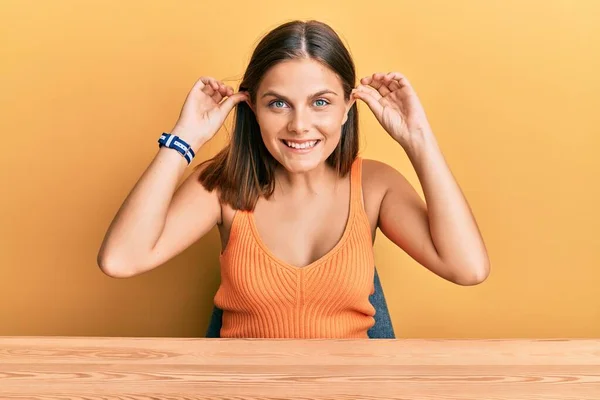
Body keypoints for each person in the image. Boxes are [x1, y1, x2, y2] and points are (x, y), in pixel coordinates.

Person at [97, 20, 490, 338]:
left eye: (321, 102)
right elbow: (120, 259)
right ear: (252, 108)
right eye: (278, 103)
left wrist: (418, 139)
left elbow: (467, 268)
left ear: (347, 108)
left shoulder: (376, 186)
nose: (300, 125)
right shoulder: (223, 185)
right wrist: (183, 140)